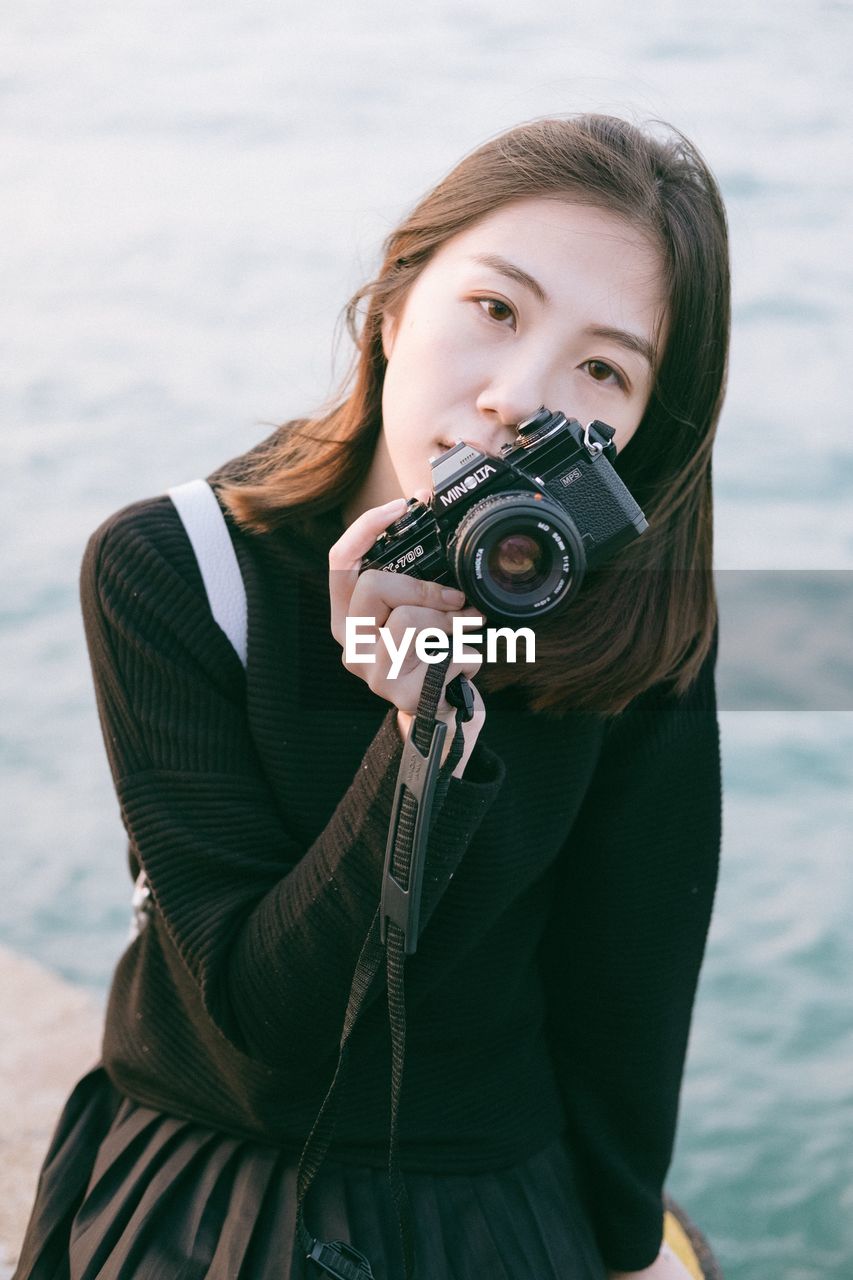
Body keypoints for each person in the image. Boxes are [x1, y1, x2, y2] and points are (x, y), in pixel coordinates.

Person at [14, 113, 729, 1280]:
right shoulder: (180, 567)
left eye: (602, 368)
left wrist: (618, 1240)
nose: (516, 396)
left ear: (642, 429)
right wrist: (417, 738)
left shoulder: (631, 625)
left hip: (490, 1189)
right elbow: (270, 1035)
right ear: (395, 305)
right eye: (495, 309)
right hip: (206, 1177)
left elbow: (630, 982)